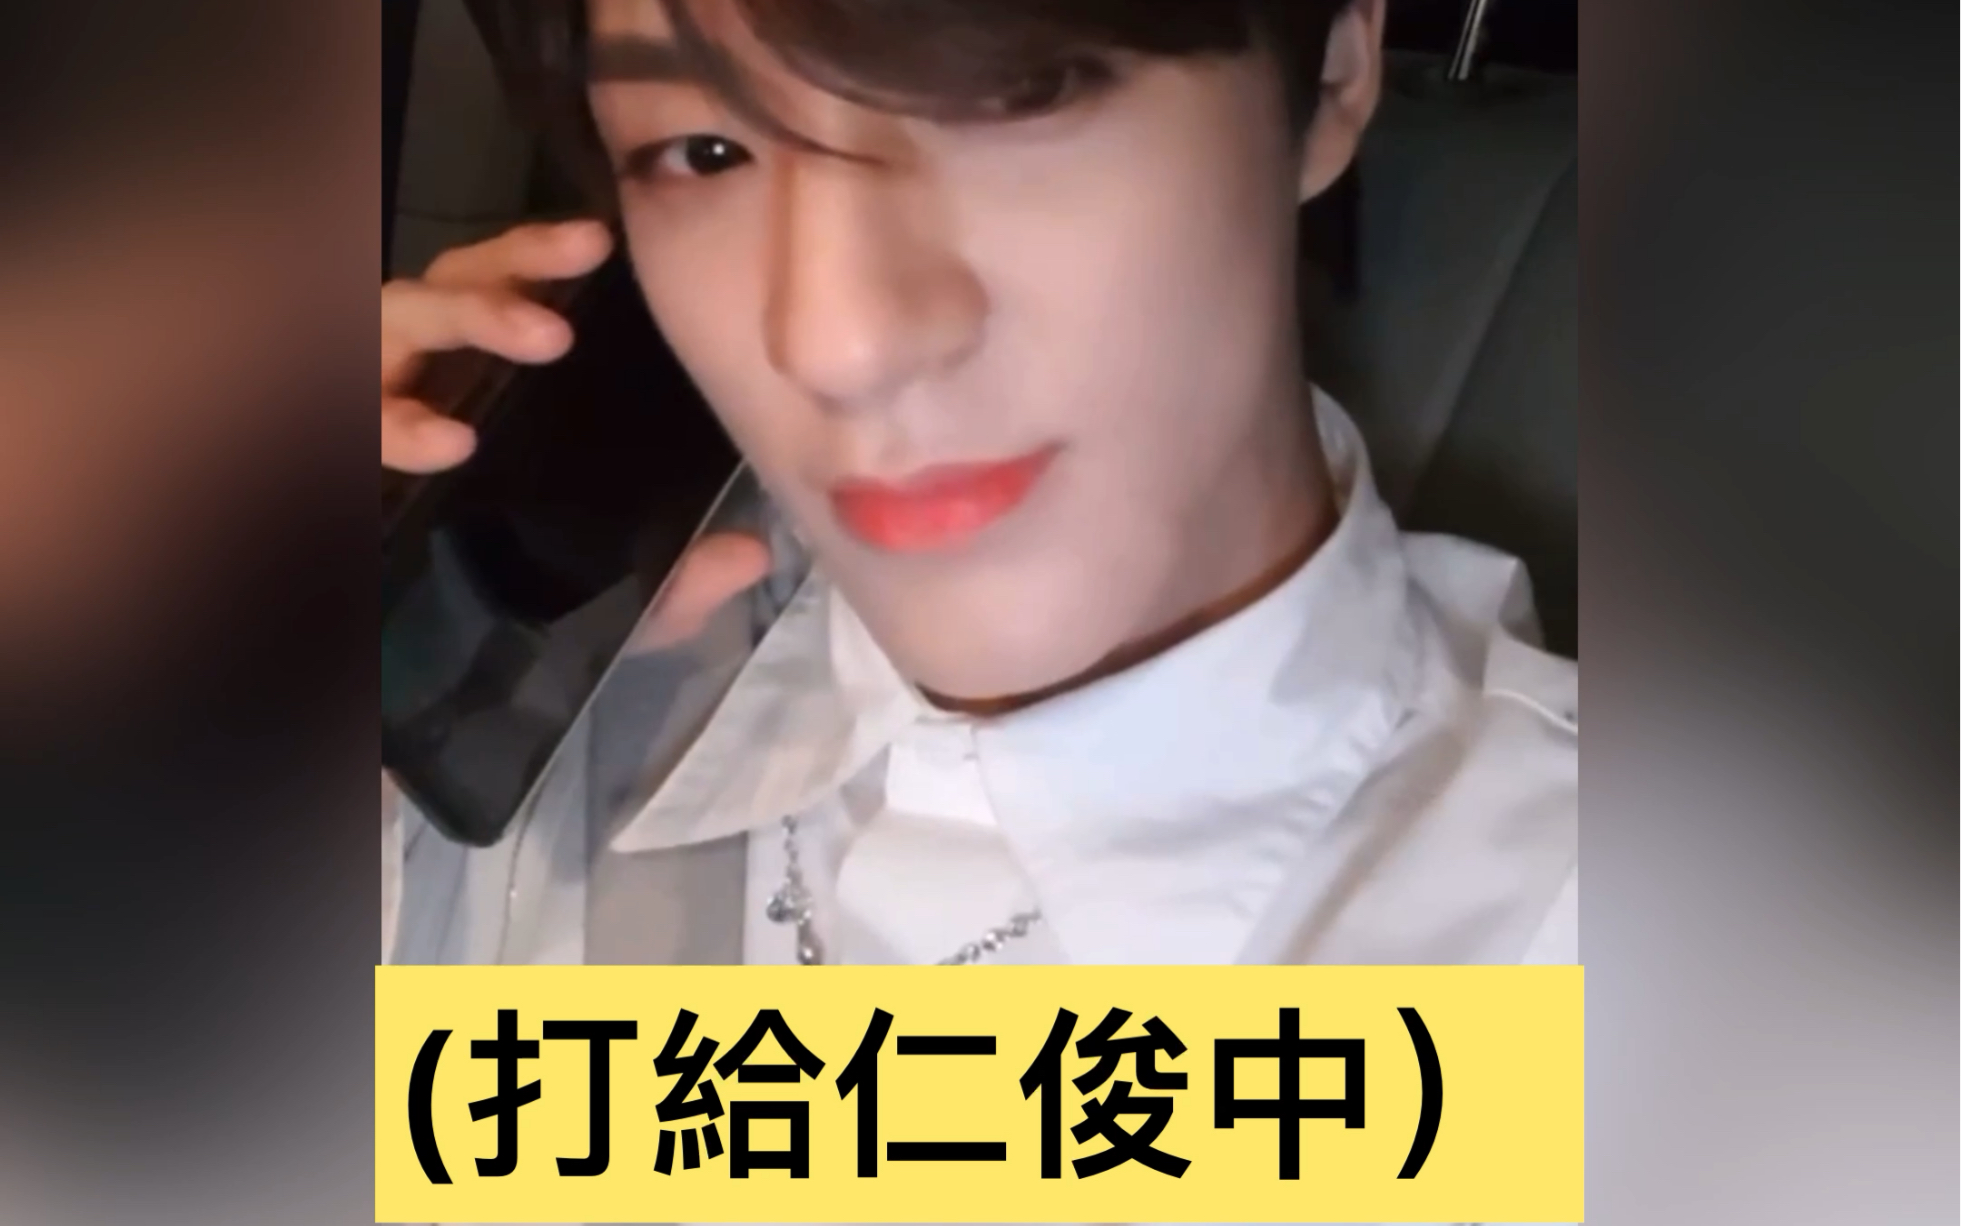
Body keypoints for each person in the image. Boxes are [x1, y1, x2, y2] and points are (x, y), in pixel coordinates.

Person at [381, 0, 1576, 968]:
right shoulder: (485, 726)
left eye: (1014, 94)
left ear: (1325, 75)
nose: (839, 339)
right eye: (705, 152)